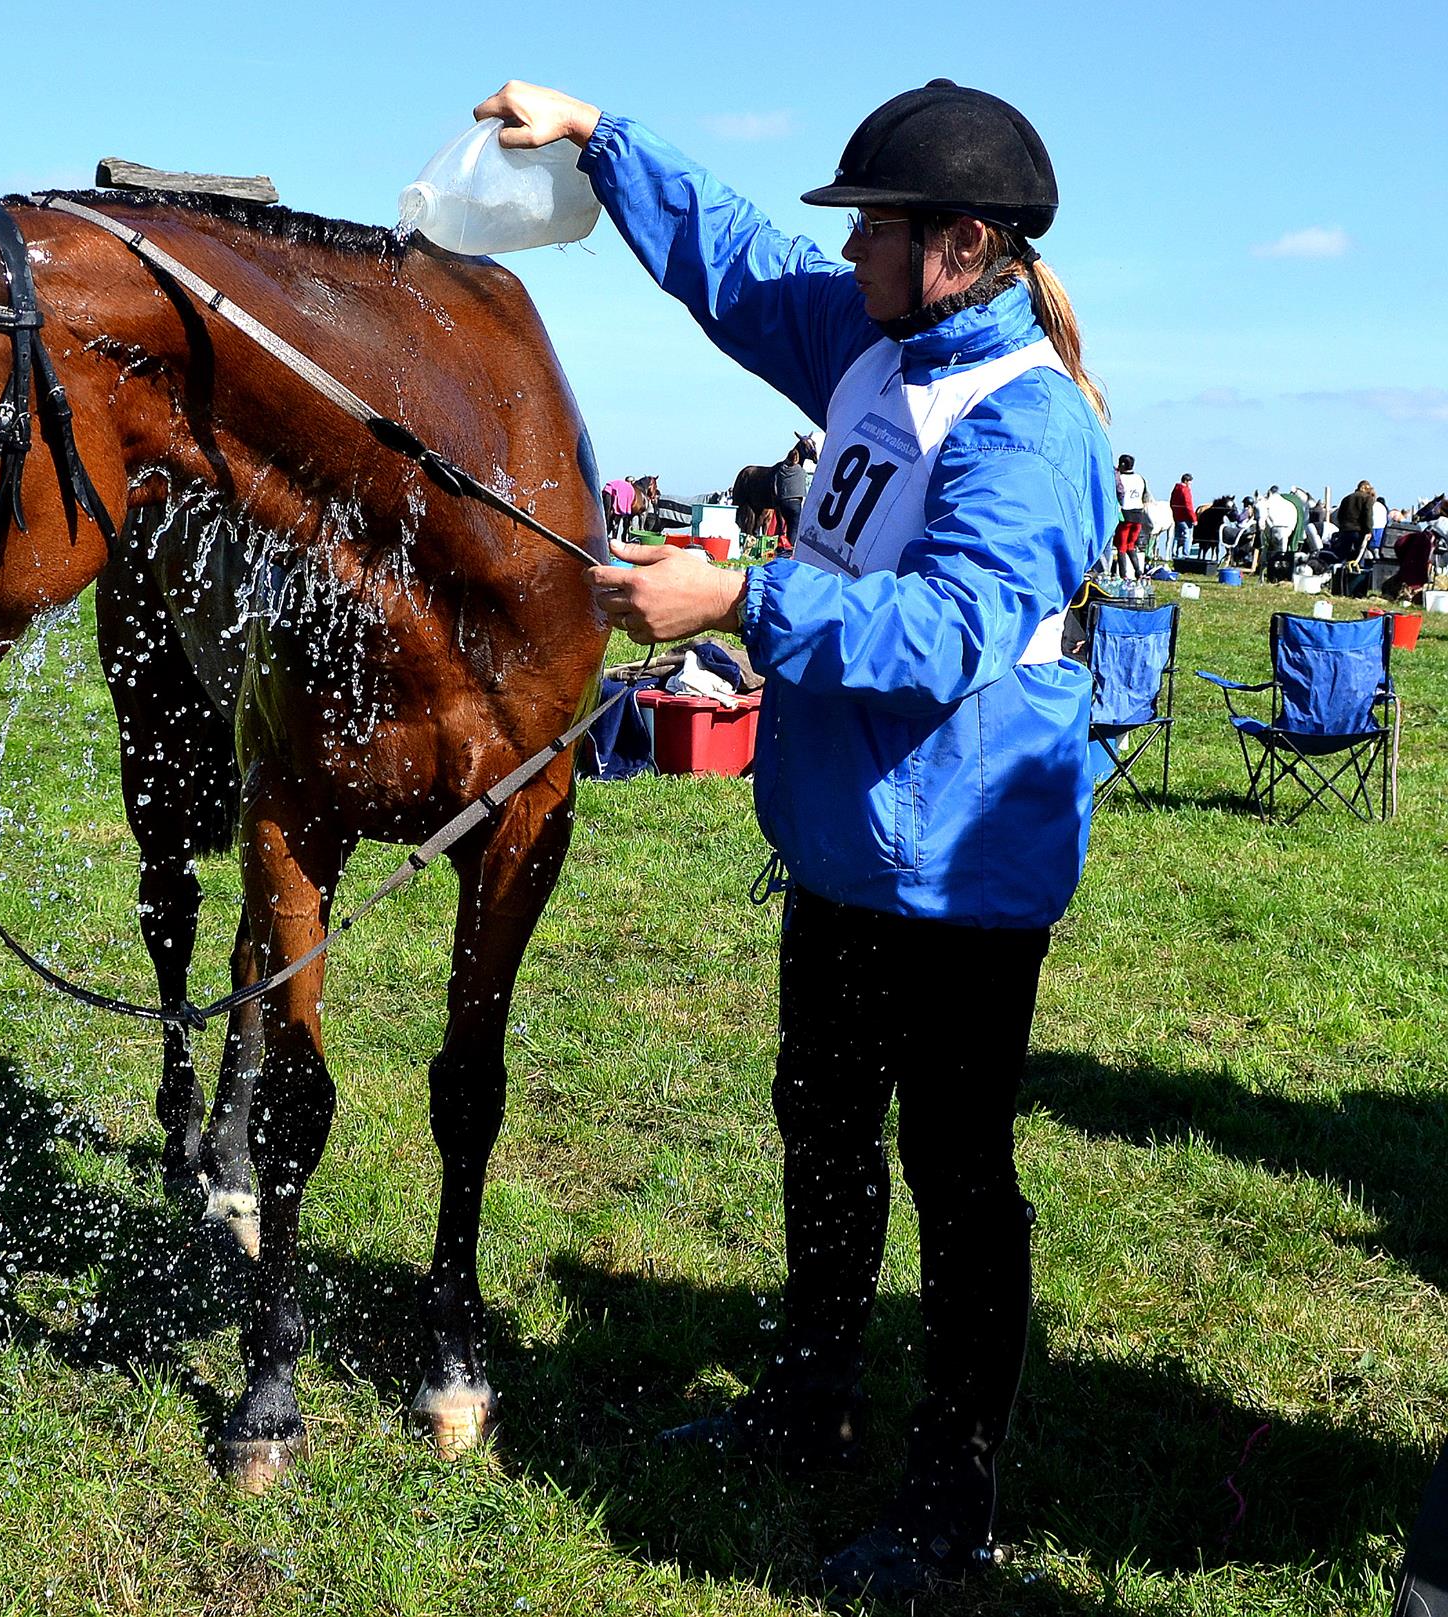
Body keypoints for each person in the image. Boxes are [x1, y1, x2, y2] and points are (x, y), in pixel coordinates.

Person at [473, 77, 1113, 1599]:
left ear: (960, 245)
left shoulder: (1031, 433)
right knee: (821, 1131)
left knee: (957, 1177)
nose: (852, 254)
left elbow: (950, 628)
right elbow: (743, 263)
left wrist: (743, 599)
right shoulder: (872, 341)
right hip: (838, 851)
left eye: (877, 229)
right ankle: (810, 1400)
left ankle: (955, 1500)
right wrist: (600, 138)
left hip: (958, 879)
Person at [1112, 453, 1149, 579]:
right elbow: (1145, 495)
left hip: (1125, 515)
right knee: (1131, 545)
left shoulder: (1119, 478)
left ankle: (1124, 576)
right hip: (1138, 516)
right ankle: (1138, 572)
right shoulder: (1140, 478)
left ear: (1122, 465)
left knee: (1121, 547)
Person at [1170, 473, 1197, 561]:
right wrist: (1194, 518)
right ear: (1186, 481)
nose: (1191, 484)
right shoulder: (1185, 490)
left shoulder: (1176, 489)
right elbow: (1188, 505)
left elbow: (1171, 501)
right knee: (1187, 535)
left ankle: (1174, 554)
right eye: (1190, 482)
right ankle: (1186, 555)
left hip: (1176, 516)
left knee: (1177, 536)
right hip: (1185, 517)